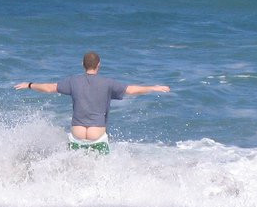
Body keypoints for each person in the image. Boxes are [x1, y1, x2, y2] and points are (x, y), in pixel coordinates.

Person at [14, 52, 170, 152]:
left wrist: (30, 85)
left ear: (83, 65)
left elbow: (49, 88)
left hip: (77, 135)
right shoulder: (108, 83)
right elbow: (131, 90)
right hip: (97, 137)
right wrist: (153, 88)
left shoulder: (73, 81)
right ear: (99, 65)